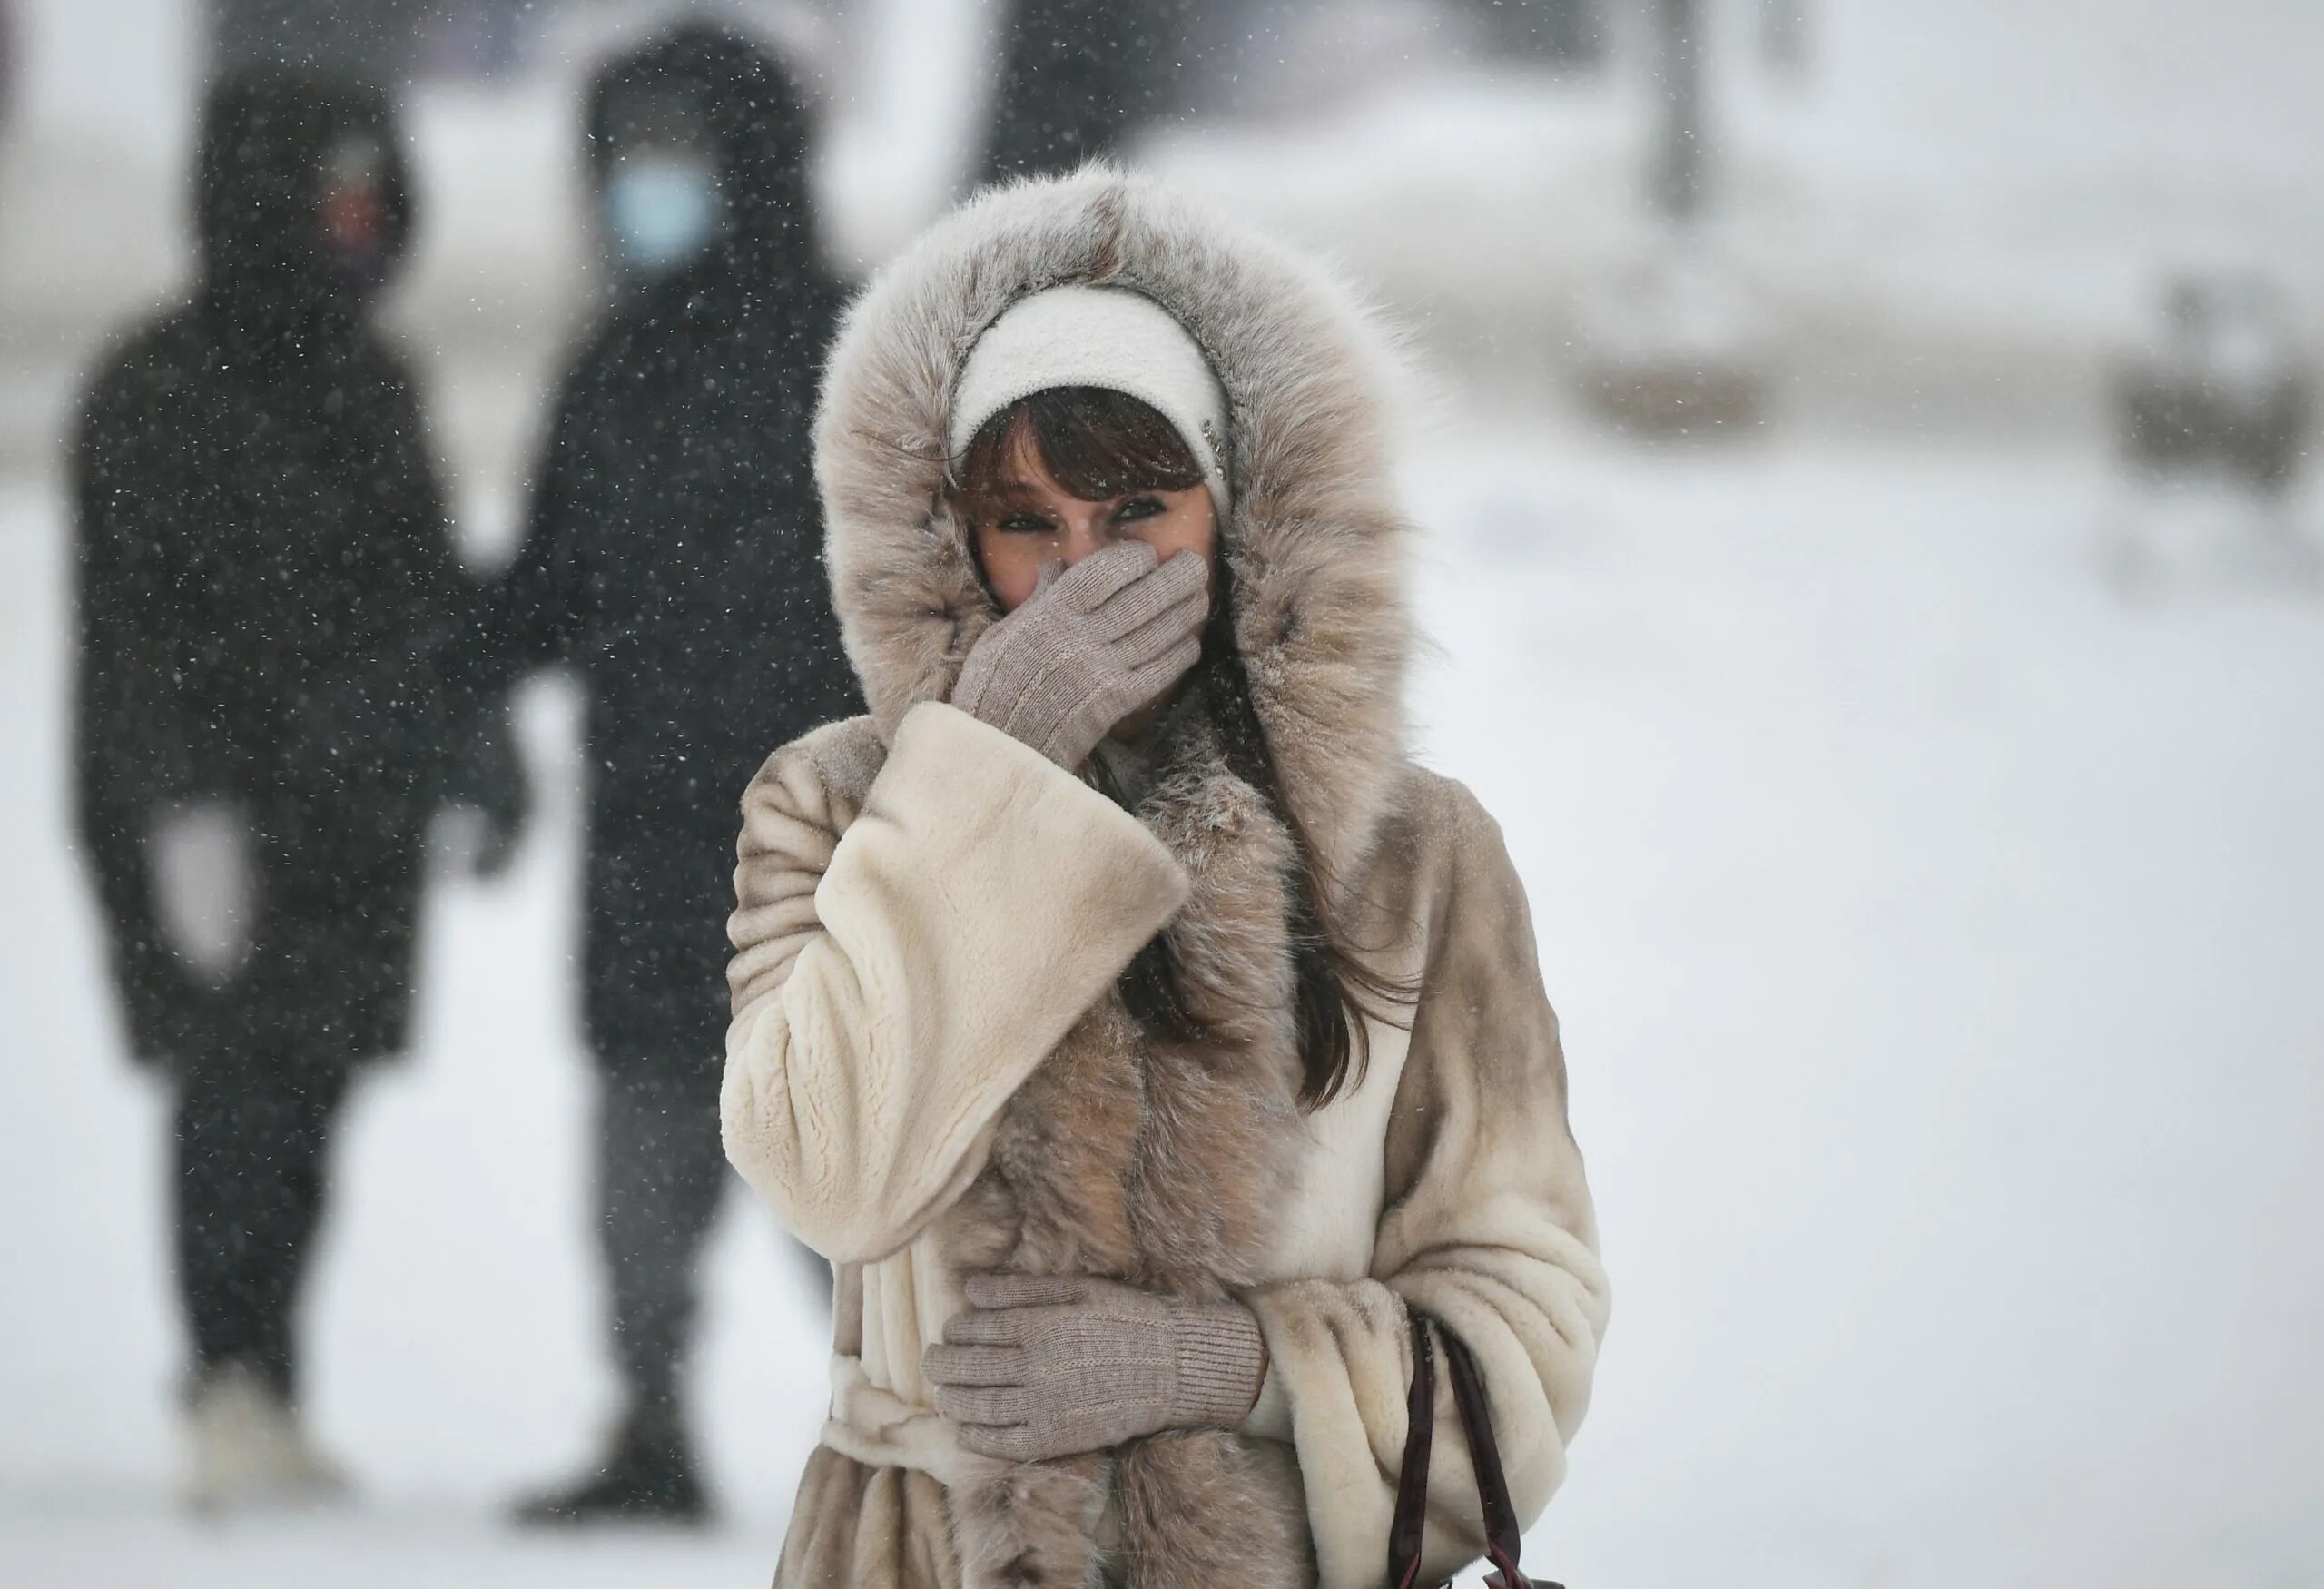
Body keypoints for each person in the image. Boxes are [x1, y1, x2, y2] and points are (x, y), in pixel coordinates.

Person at [722, 166, 1610, 1587]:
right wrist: (989, 772)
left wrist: (1229, 1365)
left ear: (1242, 515)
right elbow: (827, 1175)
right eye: (1027, 521)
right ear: (953, 536)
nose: (1083, 573)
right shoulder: (836, 808)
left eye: (1138, 508)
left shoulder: (1418, 859)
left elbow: (1527, 1315)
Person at [72, 65, 517, 1512]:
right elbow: (131, 627)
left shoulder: (372, 380)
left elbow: (426, 594)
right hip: (208, 815)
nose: (352, 222)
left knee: (308, 1097)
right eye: (325, 194)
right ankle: (224, 1375)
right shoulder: (157, 386)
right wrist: (179, 805)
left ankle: (271, 1372)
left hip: (352, 817)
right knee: (231, 1094)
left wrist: (475, 750)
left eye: (368, 194)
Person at [481, 24, 858, 1525]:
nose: (646, 188)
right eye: (625, 159)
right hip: (648, 845)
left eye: (675, 156)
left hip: (833, 852)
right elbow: (551, 587)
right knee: (643, 1171)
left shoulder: (864, 351)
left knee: (853, 1178)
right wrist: (445, 683)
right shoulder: (616, 365)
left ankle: (957, 1444)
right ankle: (648, 1423)